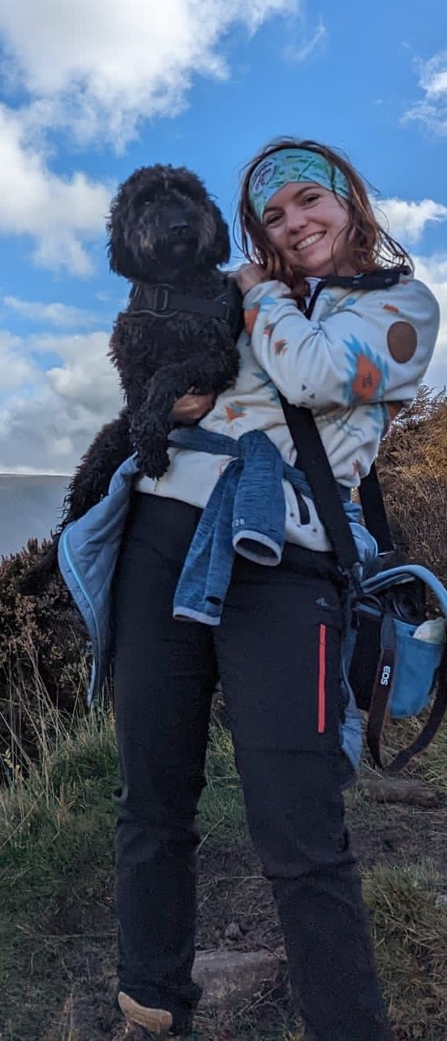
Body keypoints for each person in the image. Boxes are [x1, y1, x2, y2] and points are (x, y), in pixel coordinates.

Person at [57, 138, 440, 1041]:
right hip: (159, 536)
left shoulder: (398, 308)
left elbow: (309, 373)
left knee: (297, 829)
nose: (292, 223)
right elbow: (160, 365)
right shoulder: (224, 292)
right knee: (150, 797)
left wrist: (256, 290)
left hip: (287, 557)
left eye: (309, 200)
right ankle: (151, 1009)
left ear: (351, 203)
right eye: (271, 215)